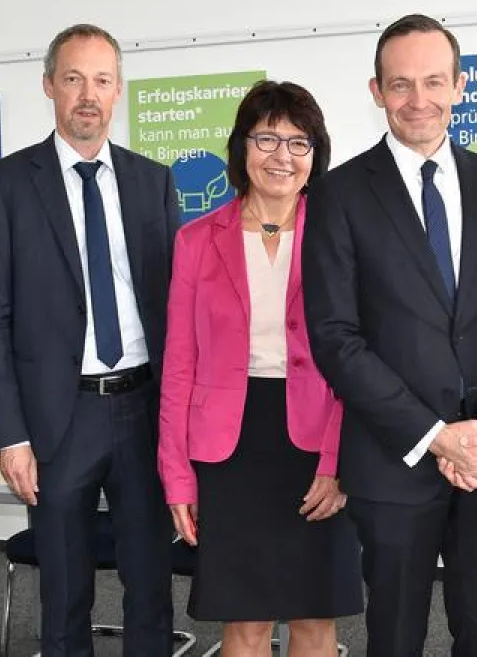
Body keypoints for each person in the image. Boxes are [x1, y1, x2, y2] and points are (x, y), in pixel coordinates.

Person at [302, 14, 477, 657]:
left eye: (434, 81)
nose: (419, 100)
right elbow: (336, 337)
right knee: (394, 636)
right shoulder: (338, 195)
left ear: (461, 85)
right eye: (401, 84)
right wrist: (436, 436)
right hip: (395, 463)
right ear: (376, 90)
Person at [0, 23, 180, 656]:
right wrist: (9, 434)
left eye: (102, 80)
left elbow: (178, 310)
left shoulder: (154, 182)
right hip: (59, 416)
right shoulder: (4, 185)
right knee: (63, 590)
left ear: (118, 91)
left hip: (143, 408)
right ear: (48, 86)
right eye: (73, 79)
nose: (88, 95)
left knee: (151, 583)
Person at [159, 80, 364, 656]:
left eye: (299, 143)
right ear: (241, 147)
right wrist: (177, 474)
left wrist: (339, 462)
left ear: (316, 155)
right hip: (230, 446)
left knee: (314, 618)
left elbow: (359, 357)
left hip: (317, 437)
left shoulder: (341, 233)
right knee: (243, 622)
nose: (283, 156)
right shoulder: (197, 240)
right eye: (268, 138)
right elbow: (179, 365)